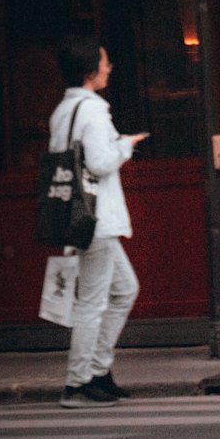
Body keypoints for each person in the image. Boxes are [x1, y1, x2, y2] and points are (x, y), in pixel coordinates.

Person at [50, 35, 149, 408]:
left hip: (76, 216)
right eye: (104, 63)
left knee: (124, 290)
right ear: (90, 70)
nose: (109, 68)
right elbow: (99, 163)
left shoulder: (64, 110)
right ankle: (78, 383)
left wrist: (115, 144)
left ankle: (98, 370)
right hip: (98, 220)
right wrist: (126, 145)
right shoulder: (93, 110)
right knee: (92, 303)